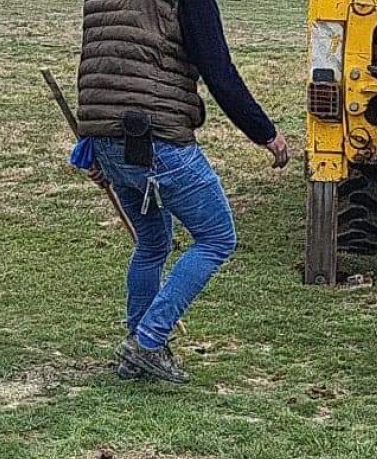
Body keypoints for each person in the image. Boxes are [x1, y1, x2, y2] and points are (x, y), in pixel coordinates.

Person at [73, 0, 289, 384]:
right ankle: (149, 341)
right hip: (155, 138)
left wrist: (91, 146)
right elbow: (218, 72)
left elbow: (100, 65)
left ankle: (137, 344)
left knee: (152, 242)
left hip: (105, 138)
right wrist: (265, 133)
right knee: (217, 237)